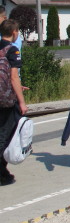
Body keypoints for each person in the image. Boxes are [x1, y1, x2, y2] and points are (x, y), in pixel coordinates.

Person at [0, 19, 28, 186]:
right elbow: (13, 77)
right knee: (5, 135)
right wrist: (22, 101)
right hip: (6, 100)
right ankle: (2, 173)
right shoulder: (12, 50)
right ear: (15, 32)